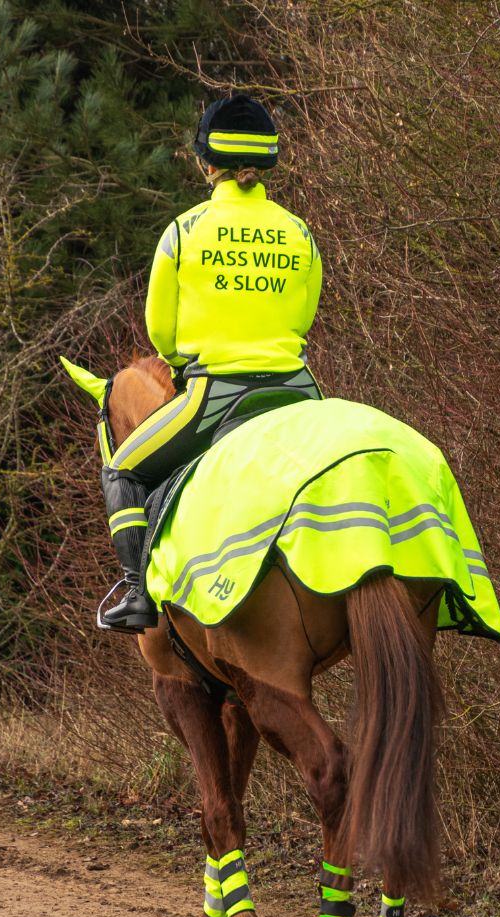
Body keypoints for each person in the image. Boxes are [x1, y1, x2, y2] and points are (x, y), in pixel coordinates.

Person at [100, 93, 324, 631]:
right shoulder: (300, 233)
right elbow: (303, 319)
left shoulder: (184, 230)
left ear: (207, 165)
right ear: (266, 163)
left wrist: (182, 359)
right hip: (301, 392)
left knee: (122, 469)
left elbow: (160, 331)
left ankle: (137, 596)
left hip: (216, 396)